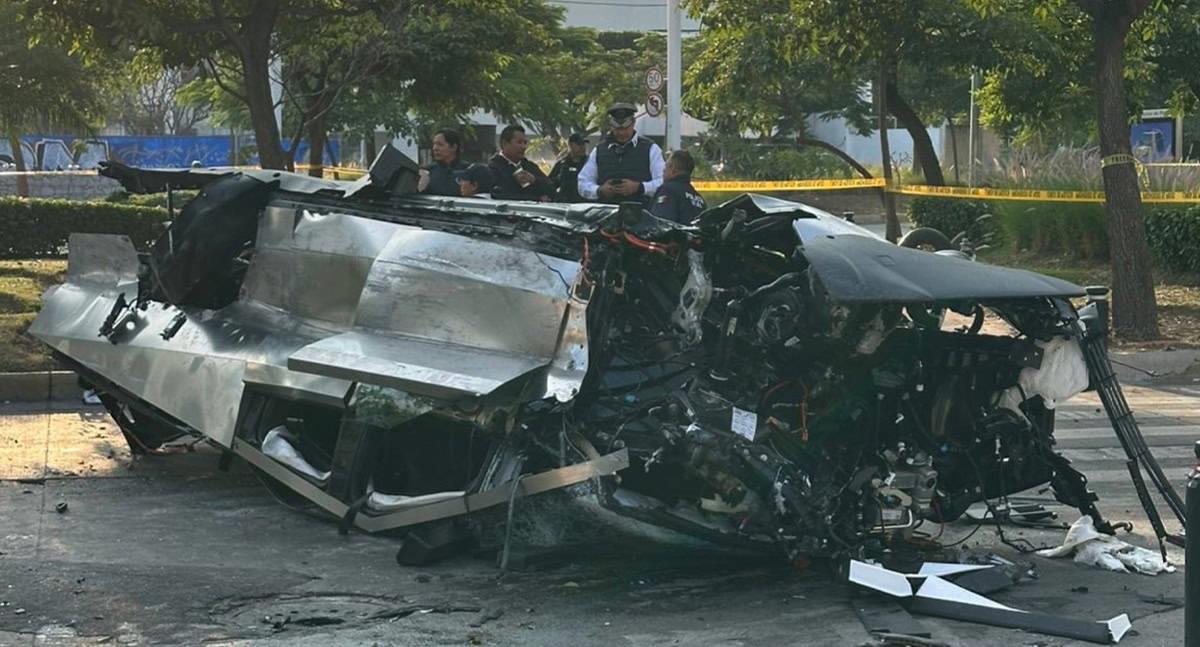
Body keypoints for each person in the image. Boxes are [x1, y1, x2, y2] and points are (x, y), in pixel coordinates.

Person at [577, 102, 664, 204]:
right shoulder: (599, 150)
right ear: (611, 126)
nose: (621, 133)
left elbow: (662, 182)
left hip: (640, 213)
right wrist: (599, 190)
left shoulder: (651, 149)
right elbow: (582, 183)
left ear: (633, 123)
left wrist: (640, 187)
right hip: (606, 214)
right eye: (617, 129)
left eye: (625, 129)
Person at [488, 125, 553, 201]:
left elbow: (551, 189)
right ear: (504, 143)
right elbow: (499, 195)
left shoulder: (530, 166)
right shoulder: (493, 168)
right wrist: (536, 199)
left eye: (525, 143)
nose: (523, 147)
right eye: (519, 142)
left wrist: (534, 180)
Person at [650, 150, 706, 224]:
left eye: (666, 166)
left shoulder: (668, 190)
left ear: (673, 170)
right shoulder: (700, 200)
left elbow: (660, 224)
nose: (663, 170)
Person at [419, 128, 469, 196]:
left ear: (454, 147)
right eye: (434, 144)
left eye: (440, 144)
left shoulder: (468, 171)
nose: (435, 148)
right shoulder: (427, 171)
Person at [548, 132, 589, 202]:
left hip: (584, 203)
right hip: (565, 204)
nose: (583, 147)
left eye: (584, 144)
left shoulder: (589, 163)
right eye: (579, 144)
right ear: (570, 145)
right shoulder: (562, 164)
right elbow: (549, 184)